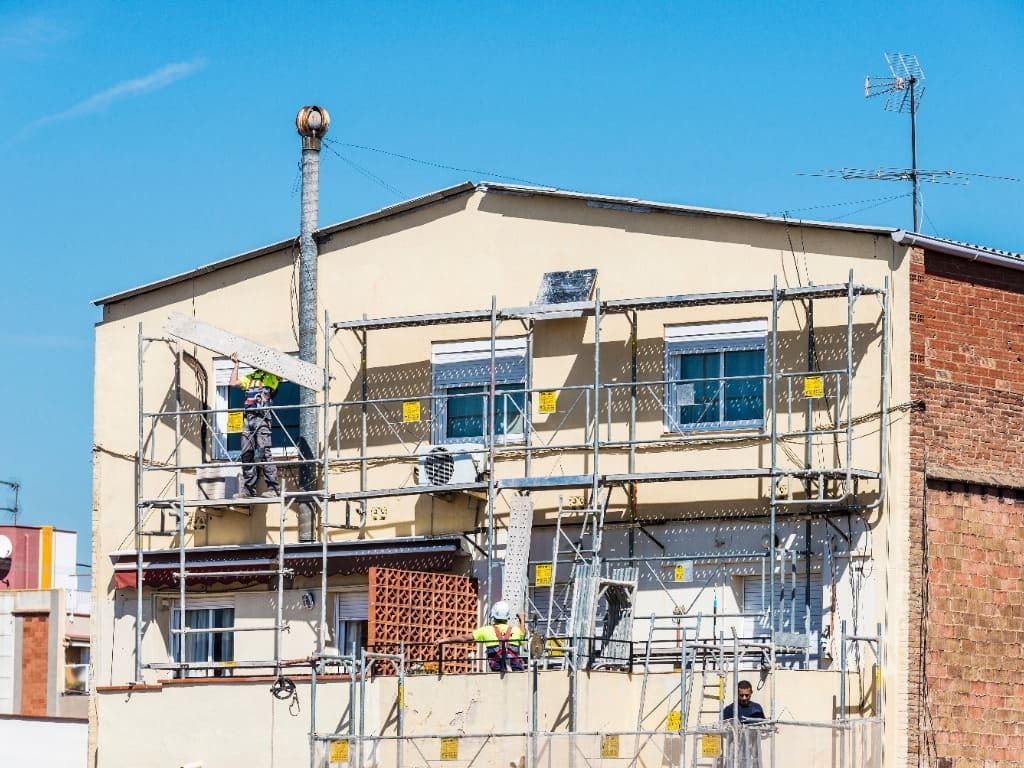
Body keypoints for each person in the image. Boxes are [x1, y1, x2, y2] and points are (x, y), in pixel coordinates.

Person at [229, 353, 281, 499]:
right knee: (246, 453)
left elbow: (278, 375)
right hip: (248, 418)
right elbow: (233, 383)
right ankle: (248, 490)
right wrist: (236, 364)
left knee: (264, 452)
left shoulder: (270, 376)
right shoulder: (250, 377)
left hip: (263, 418)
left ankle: (273, 489)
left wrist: (268, 360)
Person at [444, 601, 526, 671]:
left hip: (497, 671)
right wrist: (522, 620)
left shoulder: (486, 630)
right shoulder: (516, 630)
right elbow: (523, 634)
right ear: (507, 616)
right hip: (516, 671)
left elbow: (463, 638)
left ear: (493, 615)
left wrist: (444, 640)